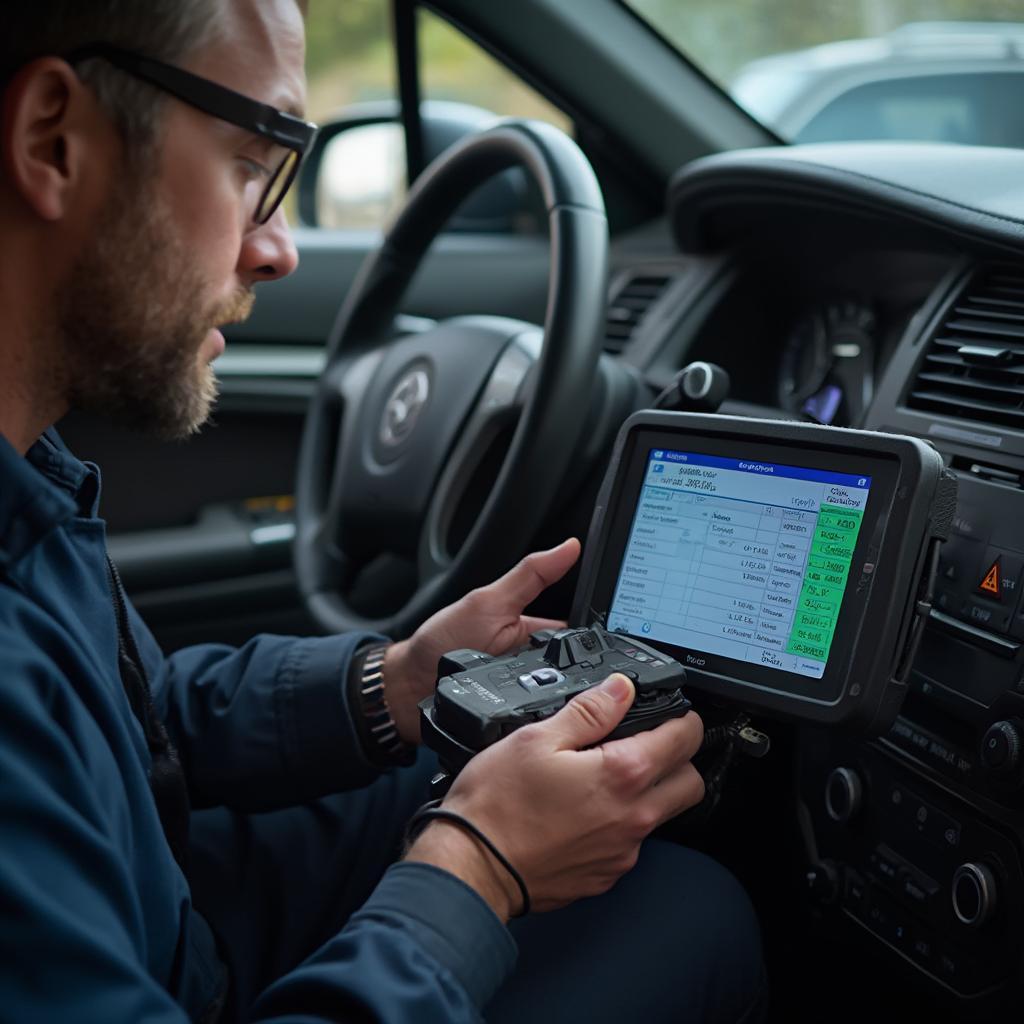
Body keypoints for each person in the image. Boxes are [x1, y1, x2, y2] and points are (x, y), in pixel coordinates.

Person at [0, 2, 766, 1021]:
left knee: (653, 877)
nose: (277, 249)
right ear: (53, 139)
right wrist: (478, 868)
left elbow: (137, 730)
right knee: (693, 915)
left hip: (165, 903)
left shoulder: (27, 467)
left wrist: (398, 680)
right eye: (253, 160)